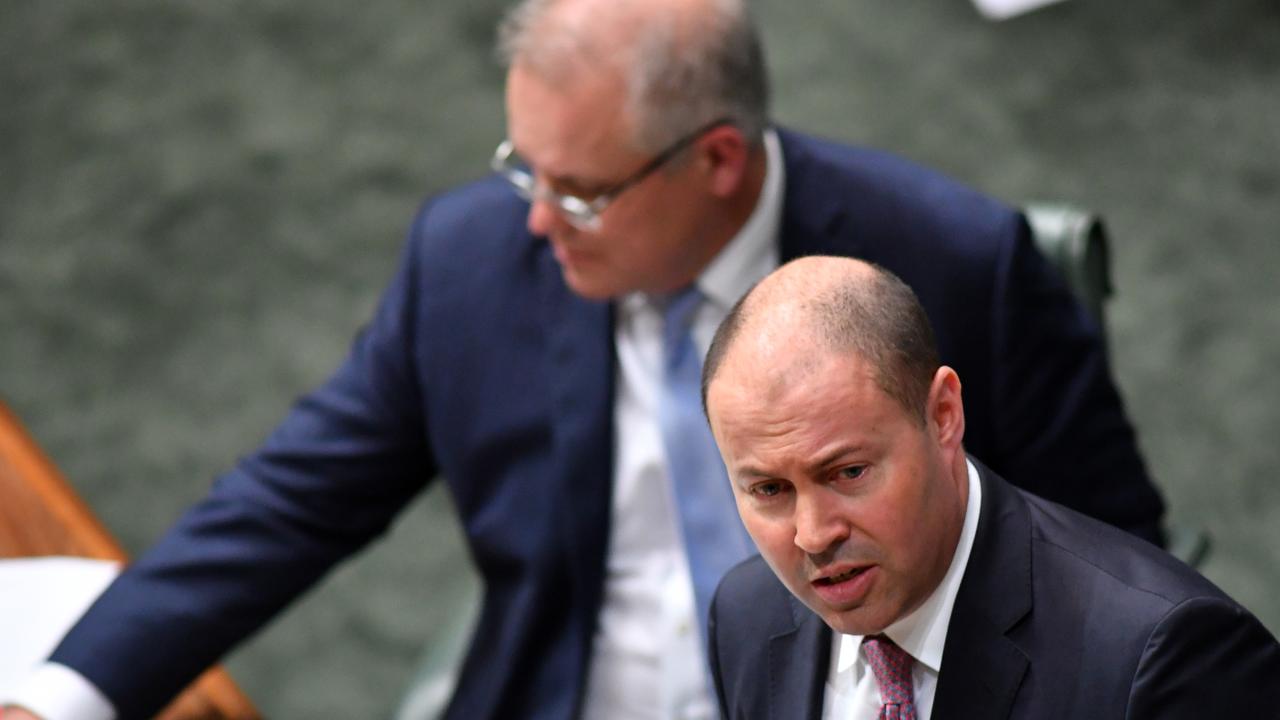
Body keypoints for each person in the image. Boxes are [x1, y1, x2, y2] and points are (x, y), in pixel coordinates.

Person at [3, 0, 1166, 717]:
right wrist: (65, 698)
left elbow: (1108, 560)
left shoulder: (961, 265)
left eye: (579, 192)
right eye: (525, 168)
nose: (535, 222)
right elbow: (290, 500)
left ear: (715, 161)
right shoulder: (471, 259)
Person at [702, 256, 1280, 719]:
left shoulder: (1162, 659)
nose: (813, 535)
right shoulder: (746, 616)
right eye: (770, 490)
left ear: (944, 415)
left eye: (848, 473)